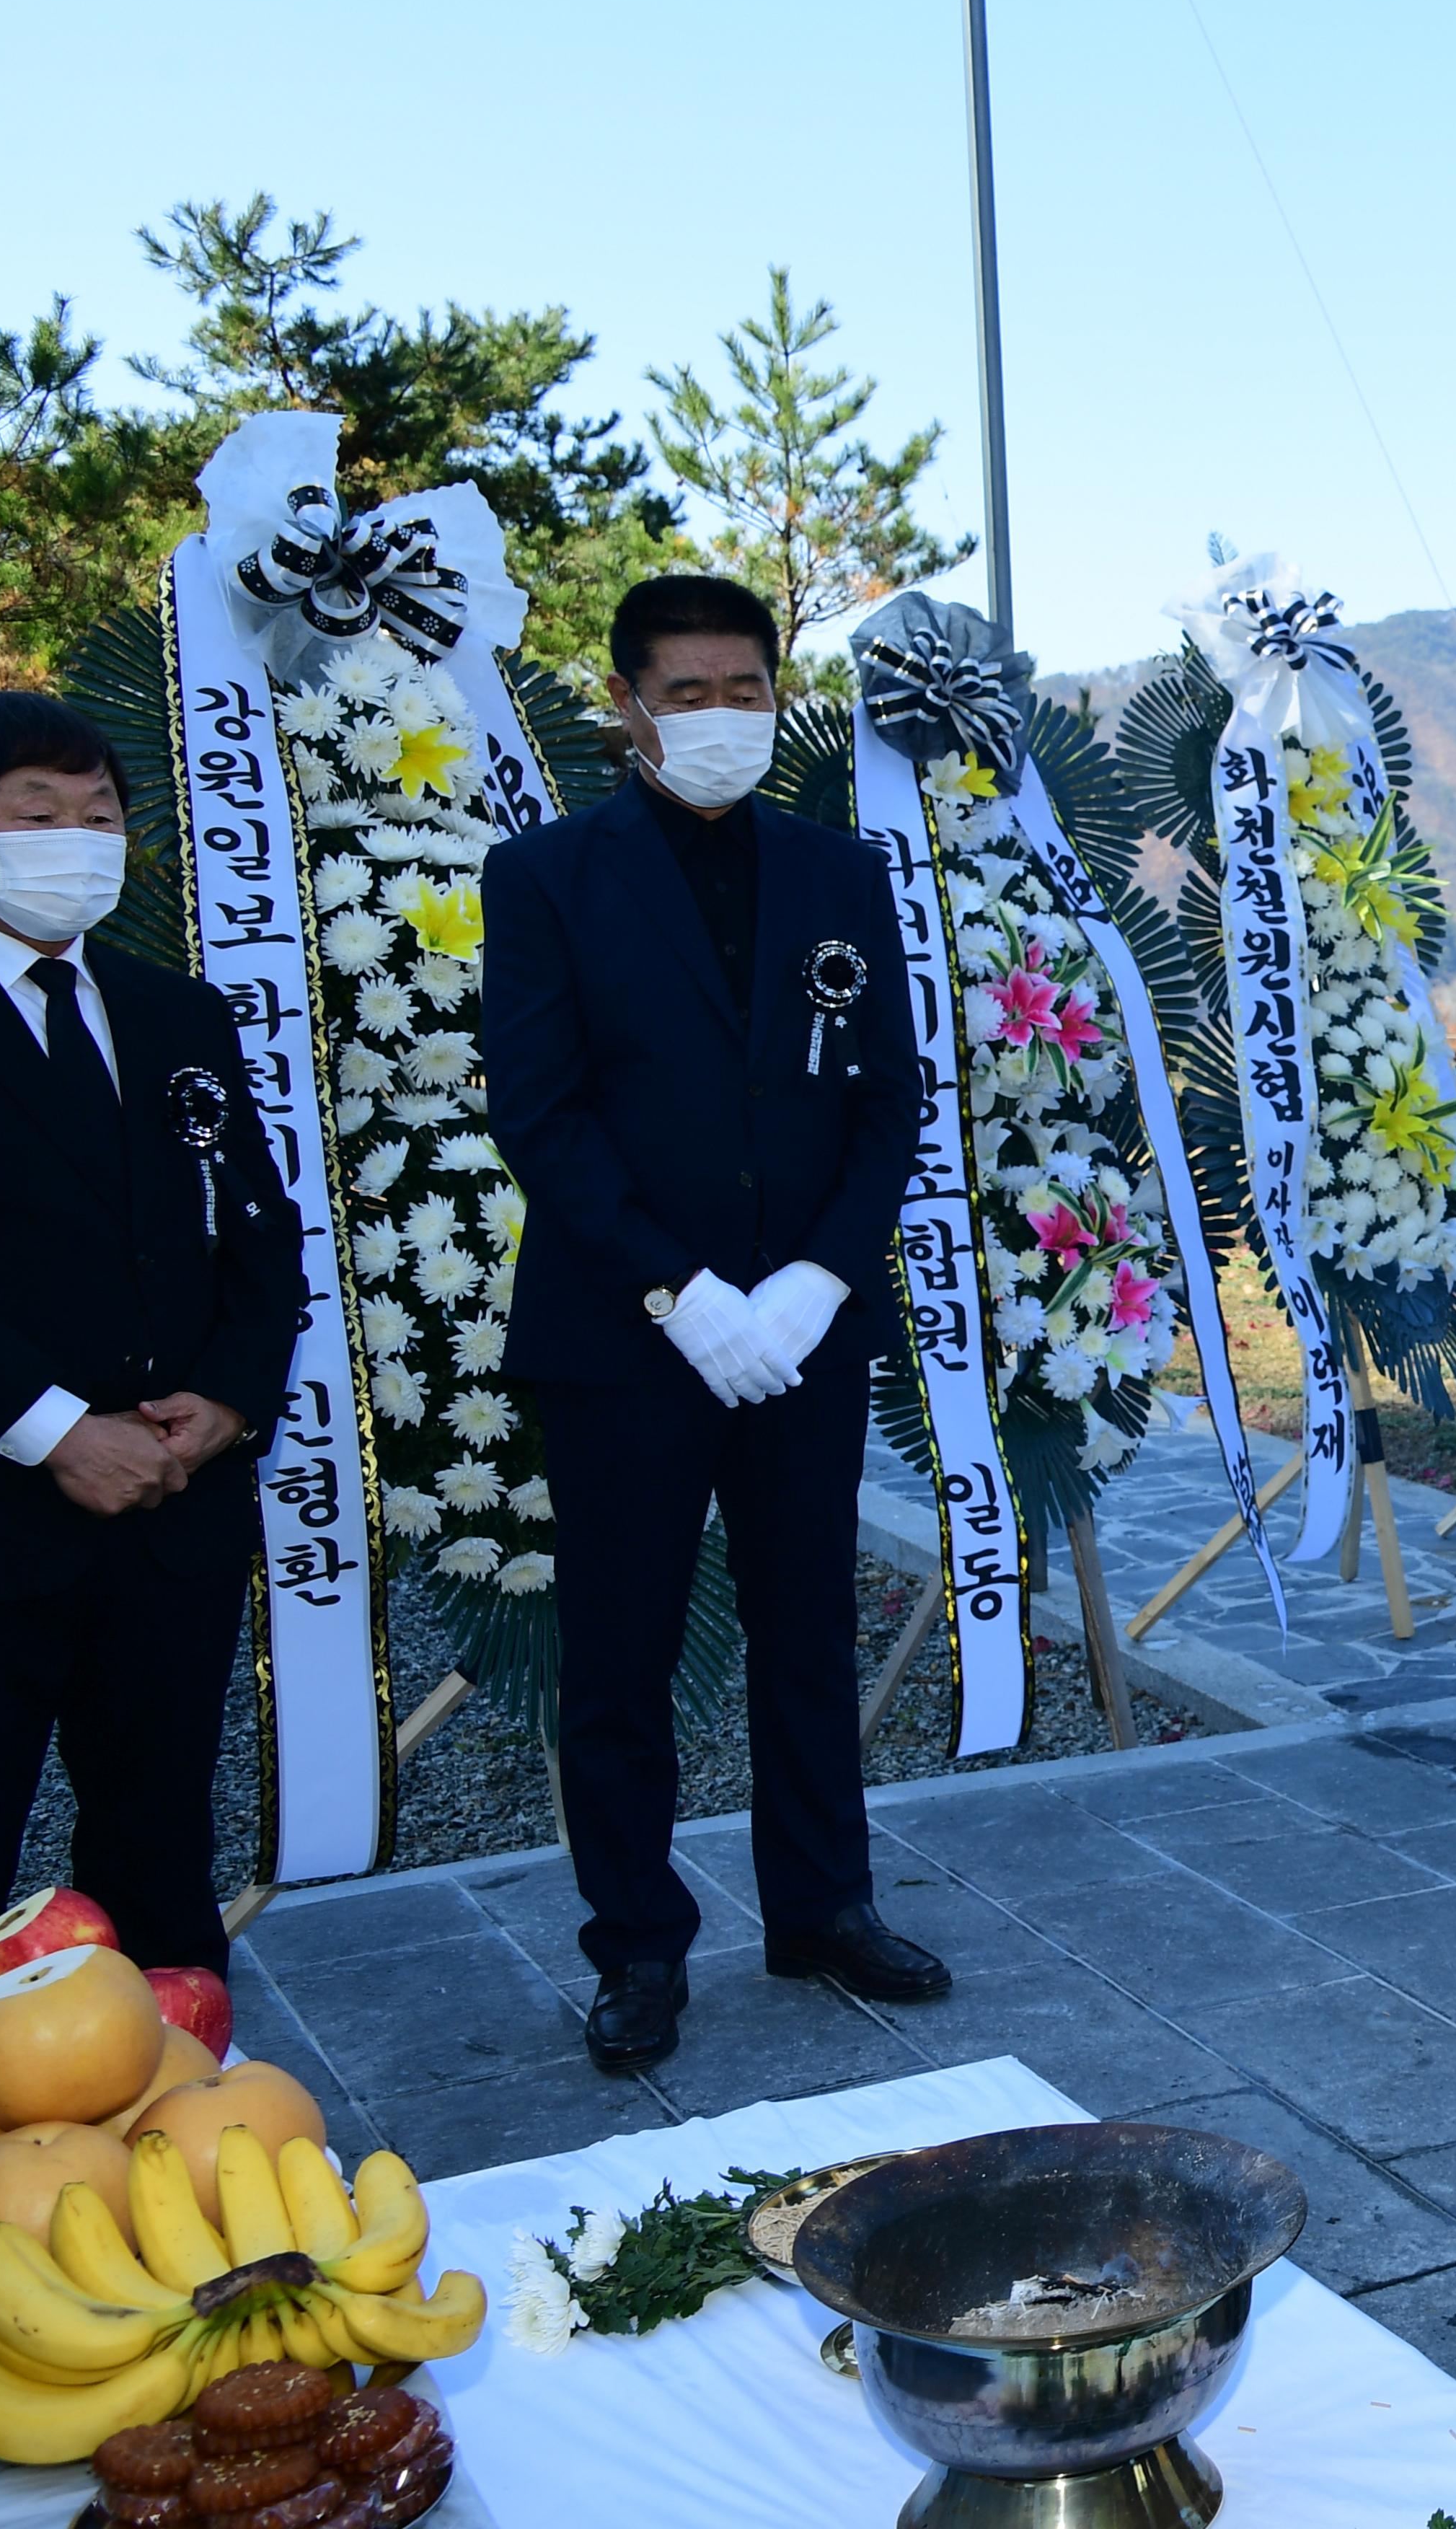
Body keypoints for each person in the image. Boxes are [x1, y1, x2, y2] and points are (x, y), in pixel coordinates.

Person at [480, 575, 945, 2073]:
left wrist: (815, 1276)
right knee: (621, 1652)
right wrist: (682, 1291)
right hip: (629, 1334)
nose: (723, 716)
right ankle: (637, 1945)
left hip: (801, 1327)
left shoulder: (839, 871)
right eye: (689, 692)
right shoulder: (549, 875)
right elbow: (540, 1117)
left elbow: (889, 1097)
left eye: (748, 688)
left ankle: (820, 1902)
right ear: (627, 706)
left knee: (808, 1625)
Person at [0, 694, 300, 1971]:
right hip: (8, 1512)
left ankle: (177, 2098)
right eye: (36, 816)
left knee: (162, 1846)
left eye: (99, 815)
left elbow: (259, 1234)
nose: (77, 839)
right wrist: (54, 1428)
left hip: (176, 1505)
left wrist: (228, 1400)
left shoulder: (177, 1013)